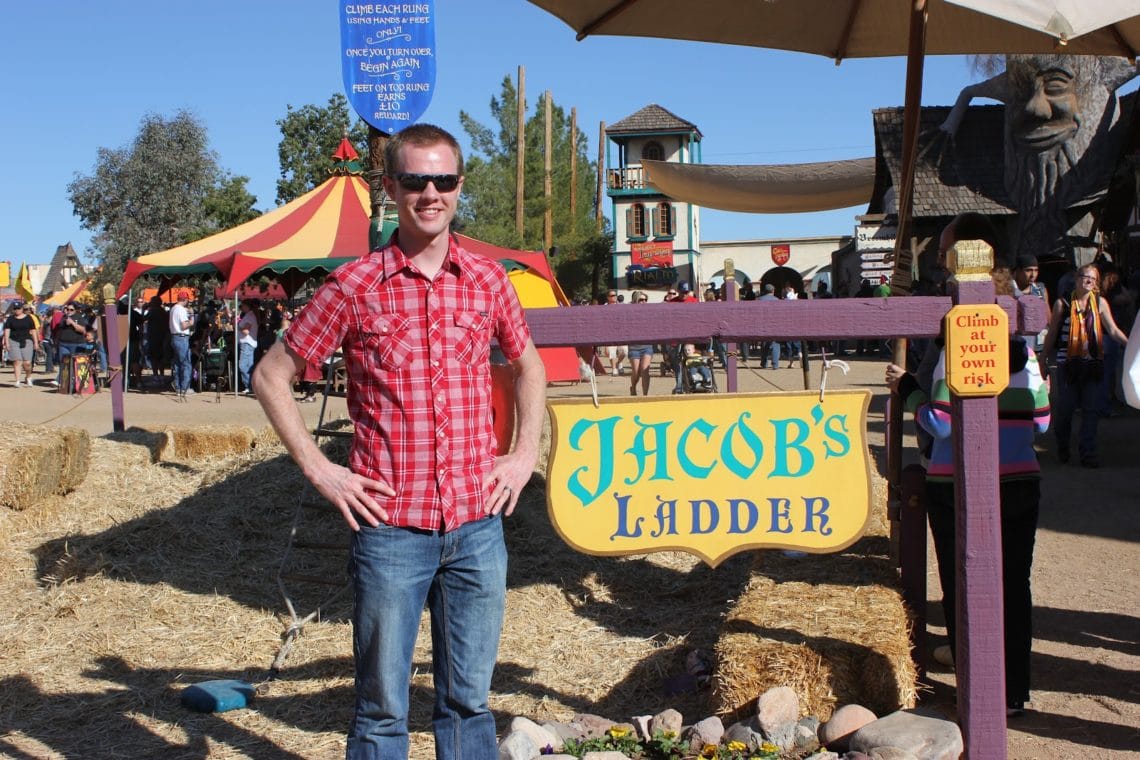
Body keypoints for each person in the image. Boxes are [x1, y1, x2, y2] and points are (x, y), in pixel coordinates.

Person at [253, 123, 546, 759]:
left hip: (476, 522)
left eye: (443, 180)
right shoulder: (354, 286)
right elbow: (271, 375)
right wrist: (321, 470)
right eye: (415, 180)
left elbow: (529, 367)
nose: (430, 193)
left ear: (460, 186)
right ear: (391, 188)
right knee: (383, 709)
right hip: (391, 528)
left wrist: (523, 456)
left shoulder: (490, 280)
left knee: (468, 704)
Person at [886, 330, 1050, 717]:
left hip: (956, 480)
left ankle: (976, 689)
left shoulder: (961, 347)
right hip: (1019, 478)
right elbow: (1042, 422)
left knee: (962, 583)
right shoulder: (1025, 353)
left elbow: (940, 423)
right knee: (1014, 584)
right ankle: (1011, 693)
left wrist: (908, 389)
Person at [1041, 263, 1129, 467]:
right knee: (1066, 409)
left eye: (1093, 278)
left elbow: (1113, 330)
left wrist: (1131, 345)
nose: (1089, 281)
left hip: (1093, 365)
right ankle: (1063, 445)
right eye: (1085, 277)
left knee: (1091, 410)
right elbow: (1052, 334)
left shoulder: (1100, 303)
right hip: (1067, 365)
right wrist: (1043, 360)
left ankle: (1088, 452)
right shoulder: (1062, 304)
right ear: (1076, 278)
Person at [3, 302, 39, 387]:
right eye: (15, 309)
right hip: (14, 340)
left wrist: (36, 342)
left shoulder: (29, 318)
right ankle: (17, 381)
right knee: (17, 361)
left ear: (22, 309)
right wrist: (7, 342)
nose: (17, 310)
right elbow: (7, 330)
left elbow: (33, 330)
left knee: (27, 363)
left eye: (18, 308)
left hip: (27, 340)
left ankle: (28, 377)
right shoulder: (10, 319)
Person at [626, 291, 654, 396]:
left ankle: (645, 395)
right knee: (636, 372)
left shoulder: (649, 313)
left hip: (647, 345)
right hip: (634, 346)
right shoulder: (629, 313)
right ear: (635, 301)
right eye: (641, 300)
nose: (644, 302)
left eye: (645, 300)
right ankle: (633, 387)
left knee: (645, 371)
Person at [168, 293, 196, 399]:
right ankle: (185, 388)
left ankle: (178, 386)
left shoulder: (173, 308)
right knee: (186, 363)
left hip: (175, 337)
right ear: (185, 299)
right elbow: (184, 325)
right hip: (181, 337)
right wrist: (192, 318)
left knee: (177, 363)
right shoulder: (181, 310)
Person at [237, 299, 259, 395]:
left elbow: (246, 331)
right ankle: (251, 386)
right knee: (249, 366)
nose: (241, 308)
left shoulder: (249, 316)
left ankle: (248, 385)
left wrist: (238, 327)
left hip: (247, 343)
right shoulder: (249, 315)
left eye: (242, 306)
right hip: (249, 343)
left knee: (242, 365)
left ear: (247, 306)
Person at [758, 283, 781, 369]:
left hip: (763, 323)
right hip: (775, 323)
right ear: (773, 291)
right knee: (775, 344)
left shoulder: (760, 299)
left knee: (764, 344)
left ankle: (764, 363)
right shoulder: (777, 300)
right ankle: (775, 364)